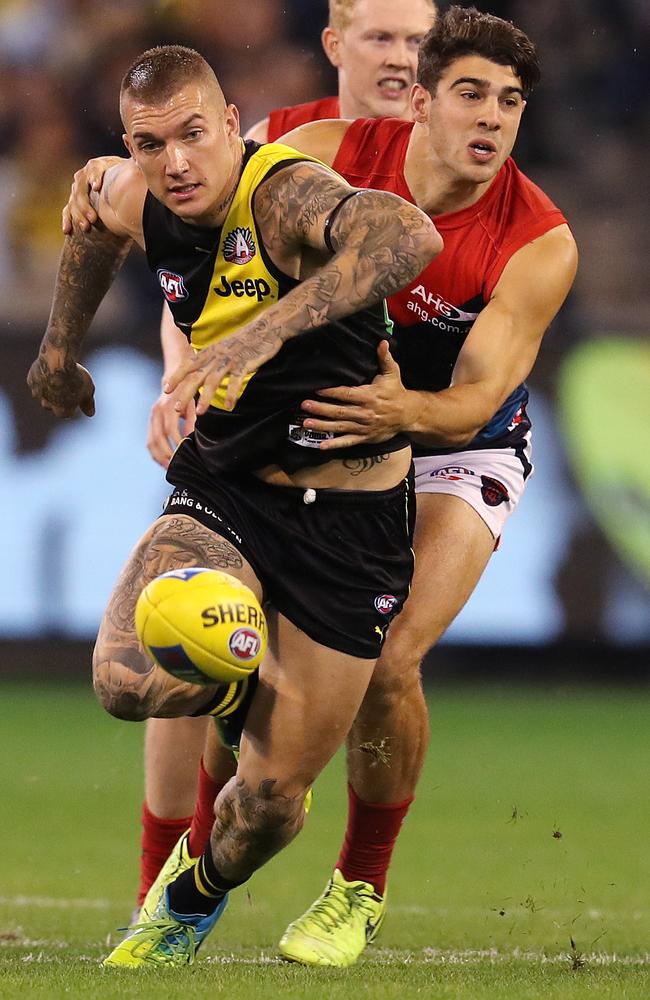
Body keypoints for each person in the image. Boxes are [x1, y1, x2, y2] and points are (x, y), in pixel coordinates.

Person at [63, 6, 578, 968]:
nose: (492, 117)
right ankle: (167, 889)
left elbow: (469, 402)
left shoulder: (539, 238)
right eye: (469, 91)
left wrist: (390, 410)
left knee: (386, 663)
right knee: (191, 644)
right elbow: (186, 228)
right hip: (285, 447)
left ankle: (358, 889)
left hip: (448, 443)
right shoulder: (315, 148)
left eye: (509, 102)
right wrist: (181, 374)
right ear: (411, 90)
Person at [30, 44, 440, 968]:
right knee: (125, 681)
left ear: (229, 124)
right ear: (129, 144)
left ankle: (194, 894)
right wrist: (59, 354)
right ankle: (231, 691)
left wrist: (264, 332)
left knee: (263, 811)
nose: (174, 162)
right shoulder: (130, 189)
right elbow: (92, 221)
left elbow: (411, 238)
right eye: (148, 143)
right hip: (230, 493)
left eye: (191, 135)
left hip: (351, 521)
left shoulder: (283, 195)